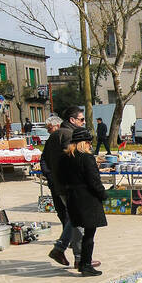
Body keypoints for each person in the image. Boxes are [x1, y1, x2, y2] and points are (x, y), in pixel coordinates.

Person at [41, 107, 87, 267]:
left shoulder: (54, 136)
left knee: (74, 218)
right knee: (78, 219)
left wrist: (51, 177)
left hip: (59, 183)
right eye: (81, 119)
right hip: (70, 185)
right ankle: (79, 258)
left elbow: (44, 159)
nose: (84, 122)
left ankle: (61, 249)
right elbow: (72, 160)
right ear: (72, 120)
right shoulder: (68, 135)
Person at [58, 129, 107, 276]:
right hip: (88, 199)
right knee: (89, 234)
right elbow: (94, 180)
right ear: (84, 143)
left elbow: (61, 178)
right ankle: (85, 264)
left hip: (73, 198)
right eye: (89, 143)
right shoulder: (86, 158)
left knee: (82, 230)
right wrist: (103, 194)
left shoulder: (66, 157)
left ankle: (83, 263)